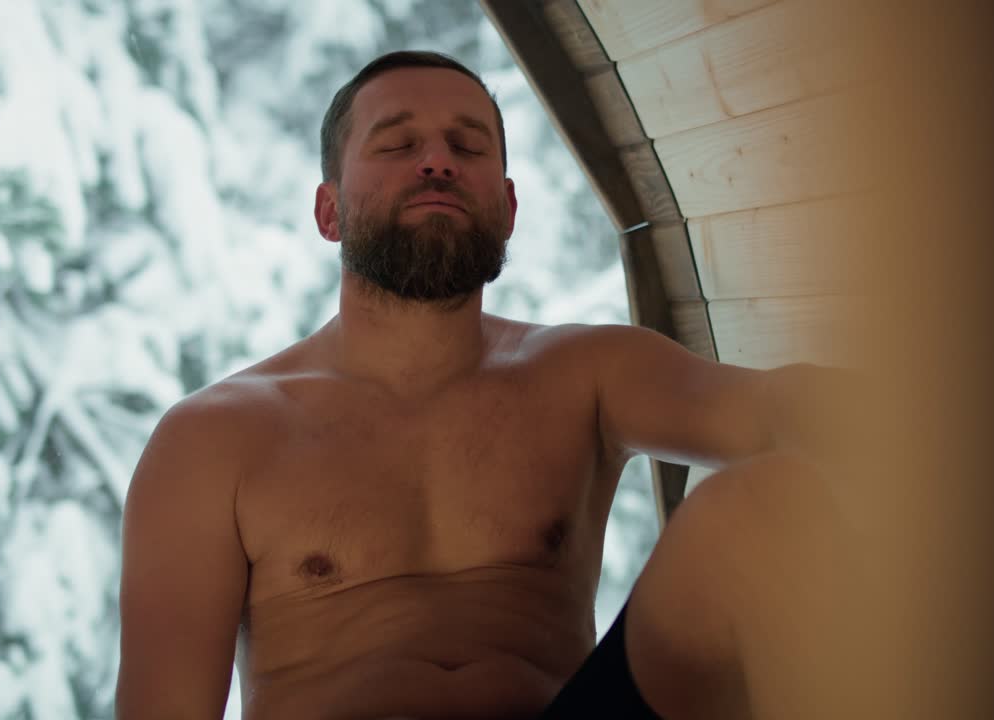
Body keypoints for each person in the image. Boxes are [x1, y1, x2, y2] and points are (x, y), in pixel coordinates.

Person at [115, 51, 869, 720]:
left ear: (508, 210)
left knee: (760, 512)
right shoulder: (214, 438)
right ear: (329, 209)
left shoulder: (587, 374)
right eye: (398, 144)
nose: (436, 161)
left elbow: (775, 412)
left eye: (466, 145)